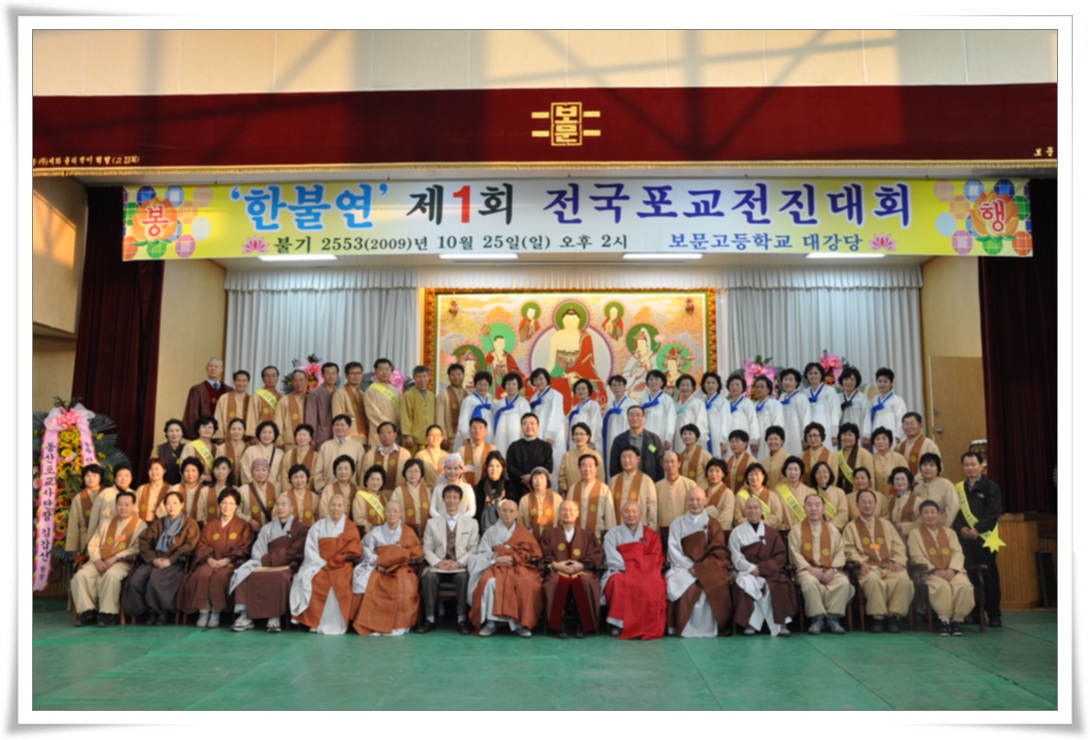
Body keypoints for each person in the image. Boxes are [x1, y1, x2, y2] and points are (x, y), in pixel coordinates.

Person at [229, 493, 307, 633]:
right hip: (265, 564)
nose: (280, 507)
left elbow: (294, 552)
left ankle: (274, 617)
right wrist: (264, 561)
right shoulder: (268, 528)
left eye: (284, 504)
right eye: (277, 504)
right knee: (246, 574)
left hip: (286, 566)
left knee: (279, 577)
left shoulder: (300, 529)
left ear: (291, 508)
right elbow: (258, 549)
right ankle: (245, 616)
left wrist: (269, 560)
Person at [177, 489, 254, 628]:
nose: (227, 506)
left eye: (231, 503)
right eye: (224, 503)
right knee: (202, 574)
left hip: (231, 564)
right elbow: (202, 545)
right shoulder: (210, 525)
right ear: (219, 504)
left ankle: (215, 612)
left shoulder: (243, 526)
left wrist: (227, 560)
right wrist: (209, 559)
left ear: (237, 506)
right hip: (210, 562)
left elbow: (244, 547)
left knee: (220, 577)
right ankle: (203, 611)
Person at [468, 499, 544, 638]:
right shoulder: (490, 531)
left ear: (517, 514)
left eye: (511, 511)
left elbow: (535, 552)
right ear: (499, 512)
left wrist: (514, 558)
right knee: (489, 582)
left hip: (518, 565)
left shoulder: (524, 532)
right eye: (505, 511)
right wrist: (496, 558)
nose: (508, 514)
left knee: (526, 583)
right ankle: (490, 623)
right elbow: (483, 551)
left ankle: (521, 624)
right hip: (495, 565)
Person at [123, 489, 201, 625]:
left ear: (182, 504)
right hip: (155, 559)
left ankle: (160, 612)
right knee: (136, 579)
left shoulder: (190, 523)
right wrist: (153, 559)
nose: (171, 506)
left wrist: (171, 560)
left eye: (175, 503)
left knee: (156, 579)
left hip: (176, 561)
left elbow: (190, 545)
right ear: (164, 506)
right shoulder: (158, 523)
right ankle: (145, 611)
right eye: (168, 503)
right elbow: (144, 542)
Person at [71, 490, 147, 627]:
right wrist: (97, 560)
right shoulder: (105, 522)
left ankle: (108, 614)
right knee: (80, 576)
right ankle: (88, 612)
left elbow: (137, 548)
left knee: (111, 576)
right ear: (115, 505)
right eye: (120, 504)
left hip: (122, 562)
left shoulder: (141, 525)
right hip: (99, 560)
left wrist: (116, 558)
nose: (123, 508)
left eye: (127, 505)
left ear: (134, 506)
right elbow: (93, 544)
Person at [290, 493, 363, 634]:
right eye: (333, 505)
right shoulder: (319, 525)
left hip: (341, 565)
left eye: (339, 505)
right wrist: (322, 563)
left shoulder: (350, 527)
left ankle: (336, 622)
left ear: (344, 508)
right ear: (328, 507)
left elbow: (353, 549)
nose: (336, 508)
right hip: (320, 564)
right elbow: (310, 548)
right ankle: (315, 622)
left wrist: (335, 563)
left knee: (340, 582)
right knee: (314, 580)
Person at [664, 488, 732, 637]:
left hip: (708, 567)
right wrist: (691, 567)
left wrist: (702, 568)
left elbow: (719, 552)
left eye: (698, 499)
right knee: (677, 583)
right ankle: (683, 627)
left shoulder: (713, 524)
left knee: (717, 583)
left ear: (705, 501)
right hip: (683, 567)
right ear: (686, 501)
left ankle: (712, 627)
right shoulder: (677, 523)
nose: (695, 503)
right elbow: (673, 551)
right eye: (691, 499)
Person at [843, 489, 912, 632]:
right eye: (864, 502)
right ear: (857, 505)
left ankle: (893, 617)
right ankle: (878, 618)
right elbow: (848, 548)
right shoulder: (851, 527)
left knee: (903, 579)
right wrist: (861, 562)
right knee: (873, 581)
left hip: (889, 565)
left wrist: (898, 560)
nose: (867, 505)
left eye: (870, 502)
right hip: (868, 566)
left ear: (875, 505)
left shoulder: (887, 525)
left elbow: (898, 546)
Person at [350, 500, 423, 636]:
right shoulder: (376, 532)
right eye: (389, 511)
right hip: (377, 566)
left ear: (400, 514)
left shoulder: (408, 532)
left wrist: (393, 563)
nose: (392, 514)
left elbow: (414, 553)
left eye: (395, 511)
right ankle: (373, 625)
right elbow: (365, 548)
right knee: (366, 582)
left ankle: (398, 625)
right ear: (385, 513)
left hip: (400, 567)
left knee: (404, 584)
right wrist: (377, 561)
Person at [729, 496, 797, 636]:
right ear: (744, 511)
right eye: (749, 508)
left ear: (761, 511)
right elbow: (735, 556)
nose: (752, 511)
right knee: (742, 585)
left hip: (769, 571)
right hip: (746, 571)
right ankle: (750, 623)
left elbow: (780, 555)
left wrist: (763, 568)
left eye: (756, 508)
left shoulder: (772, 533)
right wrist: (751, 568)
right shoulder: (736, 532)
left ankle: (781, 623)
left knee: (782, 584)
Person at [419, 484, 481, 634]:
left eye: (455, 497)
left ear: (460, 500)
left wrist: (459, 563)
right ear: (443, 500)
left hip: (460, 567)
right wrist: (438, 563)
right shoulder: (432, 523)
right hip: (438, 566)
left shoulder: (472, 523)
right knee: (428, 578)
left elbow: (474, 548)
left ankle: (461, 619)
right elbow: (426, 548)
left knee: (463, 578)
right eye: (448, 497)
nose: (451, 501)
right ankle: (430, 619)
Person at [788, 493, 853, 635]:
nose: (813, 508)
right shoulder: (796, 530)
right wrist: (810, 569)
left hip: (830, 570)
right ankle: (817, 619)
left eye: (817, 505)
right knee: (810, 583)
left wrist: (832, 570)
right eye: (809, 505)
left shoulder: (833, 530)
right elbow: (794, 553)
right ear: (804, 508)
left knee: (843, 583)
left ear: (823, 509)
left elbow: (840, 552)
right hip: (806, 571)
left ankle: (833, 618)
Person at [601, 500, 667, 639]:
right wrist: (631, 568)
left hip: (646, 572)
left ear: (641, 514)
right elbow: (611, 557)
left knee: (656, 583)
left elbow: (655, 558)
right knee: (617, 580)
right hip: (621, 570)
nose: (631, 514)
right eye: (627, 511)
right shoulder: (612, 534)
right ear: (621, 514)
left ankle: (647, 624)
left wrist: (637, 568)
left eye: (634, 511)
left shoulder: (652, 535)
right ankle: (618, 624)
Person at [909, 499, 975, 636]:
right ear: (921, 516)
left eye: (933, 512)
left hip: (953, 572)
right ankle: (945, 621)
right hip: (929, 573)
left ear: (939, 515)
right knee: (942, 587)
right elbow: (916, 555)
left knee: (963, 585)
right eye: (926, 512)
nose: (930, 515)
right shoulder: (914, 534)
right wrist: (935, 571)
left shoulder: (950, 533)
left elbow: (957, 553)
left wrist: (952, 570)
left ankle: (956, 621)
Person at [954, 451, 1004, 628]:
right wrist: (961, 528)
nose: (970, 468)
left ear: (981, 466)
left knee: (989, 578)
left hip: (985, 540)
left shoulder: (991, 487)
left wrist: (977, 529)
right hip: (965, 541)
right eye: (966, 465)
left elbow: (993, 513)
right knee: (969, 576)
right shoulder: (959, 489)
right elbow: (955, 513)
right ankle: (974, 613)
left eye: (973, 464)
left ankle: (994, 614)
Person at [540, 500, 604, 638]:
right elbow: (543, 555)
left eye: (571, 510)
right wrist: (556, 565)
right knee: (554, 581)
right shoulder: (549, 534)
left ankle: (582, 624)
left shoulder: (587, 535)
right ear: (559, 513)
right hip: (557, 571)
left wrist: (582, 565)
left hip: (582, 571)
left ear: (577, 513)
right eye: (564, 509)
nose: (567, 513)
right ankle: (559, 625)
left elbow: (596, 555)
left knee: (586, 581)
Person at [528, 367, 567, 485]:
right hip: (539, 435)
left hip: (552, 436)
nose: (538, 382)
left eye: (541, 379)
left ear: (547, 379)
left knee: (554, 463)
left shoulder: (555, 395)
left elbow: (556, 415)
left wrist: (551, 435)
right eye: (535, 380)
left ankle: (555, 491)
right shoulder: (534, 397)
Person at [564, 454, 616, 541]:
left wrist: (610, 539)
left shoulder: (604, 489)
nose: (587, 469)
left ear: (596, 468)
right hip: (576, 539)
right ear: (579, 468)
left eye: (590, 466)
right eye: (584, 466)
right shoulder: (573, 489)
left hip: (597, 539)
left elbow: (609, 518)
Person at [608, 405, 665, 481]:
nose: (634, 418)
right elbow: (614, 465)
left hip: (649, 481)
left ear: (643, 418)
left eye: (638, 415)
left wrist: (658, 482)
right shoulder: (619, 440)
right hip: (625, 482)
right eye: (631, 415)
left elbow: (660, 461)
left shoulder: (652, 440)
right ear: (628, 418)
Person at [505, 413, 554, 501]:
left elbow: (548, 468)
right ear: (521, 427)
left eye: (532, 423)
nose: (529, 426)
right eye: (525, 423)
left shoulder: (545, 447)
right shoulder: (514, 446)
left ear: (538, 427)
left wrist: (532, 476)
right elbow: (510, 467)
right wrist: (522, 477)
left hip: (539, 489)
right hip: (517, 489)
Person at [182, 357, 231, 444]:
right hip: (203, 437)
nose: (213, 369)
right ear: (206, 368)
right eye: (210, 366)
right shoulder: (197, 390)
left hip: (223, 438)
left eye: (216, 366)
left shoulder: (228, 390)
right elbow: (192, 415)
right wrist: (196, 435)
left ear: (221, 369)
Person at [312, 415, 366, 492]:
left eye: (342, 425)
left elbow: (361, 471)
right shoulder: (325, 446)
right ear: (333, 427)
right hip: (329, 489)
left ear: (349, 428)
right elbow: (319, 470)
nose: (339, 428)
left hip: (352, 490)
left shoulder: (358, 447)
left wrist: (360, 490)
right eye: (336, 425)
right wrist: (320, 489)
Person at [655, 451, 696, 543]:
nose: (669, 465)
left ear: (679, 464)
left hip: (684, 531)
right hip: (663, 532)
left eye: (672, 461)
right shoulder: (657, 486)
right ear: (663, 465)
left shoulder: (690, 485)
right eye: (666, 462)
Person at [733, 463, 786, 531]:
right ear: (747, 478)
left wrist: (761, 524)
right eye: (751, 475)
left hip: (768, 531)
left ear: (763, 476)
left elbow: (778, 516)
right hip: (747, 531)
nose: (754, 477)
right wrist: (753, 524)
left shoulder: (773, 495)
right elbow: (737, 518)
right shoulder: (740, 496)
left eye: (757, 474)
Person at [65, 464, 104, 557]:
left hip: (105, 542)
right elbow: (73, 525)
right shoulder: (78, 499)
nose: (91, 479)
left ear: (100, 477)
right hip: (86, 542)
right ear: (83, 478)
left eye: (94, 475)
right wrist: (73, 549)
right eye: (87, 476)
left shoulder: (108, 494)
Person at [361, 421, 411, 492]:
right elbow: (363, 478)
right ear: (379, 436)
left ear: (395, 434)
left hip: (398, 495)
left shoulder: (405, 454)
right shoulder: (370, 455)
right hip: (375, 496)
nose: (386, 435)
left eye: (389, 432)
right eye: (383, 433)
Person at [87, 464, 134, 538]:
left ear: (131, 478)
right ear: (115, 478)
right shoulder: (104, 494)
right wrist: (90, 539)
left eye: (127, 475)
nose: (123, 478)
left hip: (126, 537)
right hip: (104, 536)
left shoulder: (135, 495)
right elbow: (94, 519)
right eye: (120, 475)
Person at [913, 453, 960, 528]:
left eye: (932, 465)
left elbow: (953, 507)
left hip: (941, 528)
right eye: (924, 465)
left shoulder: (946, 484)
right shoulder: (917, 488)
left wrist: (940, 525)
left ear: (938, 468)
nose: (927, 468)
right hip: (920, 528)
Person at [364, 358, 402, 449]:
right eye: (381, 369)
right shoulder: (371, 390)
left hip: (394, 434)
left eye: (387, 369)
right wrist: (389, 427)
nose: (384, 372)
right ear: (375, 372)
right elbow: (373, 413)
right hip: (379, 432)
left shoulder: (395, 390)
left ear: (391, 371)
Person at [557, 422, 605, 495]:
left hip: (592, 495)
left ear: (588, 436)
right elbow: (562, 478)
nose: (578, 437)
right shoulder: (567, 456)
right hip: (572, 495)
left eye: (582, 434)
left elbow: (600, 477)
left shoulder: (595, 455)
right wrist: (564, 493)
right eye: (576, 434)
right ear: (573, 437)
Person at [492, 372, 532, 458]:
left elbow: (527, 422)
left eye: (514, 384)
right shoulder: (499, 404)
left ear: (518, 386)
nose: (511, 387)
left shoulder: (523, 403)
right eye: (508, 384)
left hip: (516, 435)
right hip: (501, 436)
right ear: (504, 386)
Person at [865, 367, 908, 447]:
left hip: (891, 434)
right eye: (880, 381)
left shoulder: (897, 400)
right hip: (876, 434)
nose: (882, 384)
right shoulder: (874, 400)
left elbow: (901, 420)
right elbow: (868, 419)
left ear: (891, 383)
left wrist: (898, 436)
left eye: (885, 381)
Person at [388, 458, 431, 536]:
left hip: (424, 528)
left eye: (416, 471)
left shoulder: (427, 491)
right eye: (409, 471)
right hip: (403, 529)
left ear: (421, 473)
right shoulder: (398, 491)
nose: (413, 474)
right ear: (404, 473)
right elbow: (392, 511)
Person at [601, 374, 636, 469]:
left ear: (624, 386)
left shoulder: (631, 403)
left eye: (620, 385)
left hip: (627, 438)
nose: (617, 388)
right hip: (611, 439)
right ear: (610, 388)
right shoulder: (609, 407)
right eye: (614, 385)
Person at [518, 467, 563, 539]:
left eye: (542, 478)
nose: (538, 481)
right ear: (531, 481)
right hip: (530, 540)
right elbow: (520, 523)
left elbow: (561, 522)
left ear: (547, 480)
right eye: (535, 478)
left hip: (553, 539)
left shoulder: (557, 499)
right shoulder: (524, 500)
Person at [804, 362, 839, 452]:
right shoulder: (805, 393)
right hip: (810, 432)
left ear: (821, 374)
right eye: (810, 373)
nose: (813, 376)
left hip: (826, 430)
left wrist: (834, 434)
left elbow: (835, 412)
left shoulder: (829, 391)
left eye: (816, 373)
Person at [455, 371, 494, 450]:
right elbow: (463, 421)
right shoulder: (468, 400)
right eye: (479, 384)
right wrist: (466, 437)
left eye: (485, 384)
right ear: (475, 385)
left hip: (488, 437)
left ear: (489, 386)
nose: (482, 387)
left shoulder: (490, 401)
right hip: (471, 438)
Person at [429, 453, 476, 519]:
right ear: (445, 470)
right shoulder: (438, 489)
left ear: (461, 471)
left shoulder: (467, 488)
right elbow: (432, 510)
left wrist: (456, 520)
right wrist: (444, 520)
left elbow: (472, 510)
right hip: (441, 523)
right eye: (449, 468)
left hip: (462, 523)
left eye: (456, 469)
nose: (452, 472)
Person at [401, 365, 435, 454]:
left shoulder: (432, 396)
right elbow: (405, 415)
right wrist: (407, 435)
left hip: (429, 438)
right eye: (419, 377)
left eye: (424, 376)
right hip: (413, 438)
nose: (422, 379)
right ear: (414, 378)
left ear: (429, 377)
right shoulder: (408, 395)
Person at [305, 362, 340, 448]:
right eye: (328, 373)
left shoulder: (340, 393)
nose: (331, 376)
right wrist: (311, 436)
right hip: (321, 436)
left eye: (333, 373)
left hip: (338, 435)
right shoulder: (315, 393)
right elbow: (311, 417)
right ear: (322, 375)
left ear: (337, 375)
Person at [238, 457, 279, 531]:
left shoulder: (275, 489)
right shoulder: (243, 490)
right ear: (252, 473)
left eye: (264, 470)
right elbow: (236, 511)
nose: (261, 473)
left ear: (268, 473)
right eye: (257, 470)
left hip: (270, 531)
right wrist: (249, 520)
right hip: (249, 531)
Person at [332, 361, 370, 441]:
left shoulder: (363, 394)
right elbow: (337, 420)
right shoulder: (340, 394)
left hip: (364, 438)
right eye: (352, 373)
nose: (356, 376)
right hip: (348, 439)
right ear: (346, 375)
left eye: (359, 373)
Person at [671, 374, 708, 454]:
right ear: (678, 388)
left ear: (693, 387)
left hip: (693, 441)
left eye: (688, 385)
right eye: (682, 385)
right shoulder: (676, 406)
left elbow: (701, 424)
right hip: (678, 440)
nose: (685, 388)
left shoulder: (698, 403)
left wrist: (698, 441)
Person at [640, 370, 676, 451]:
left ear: (662, 383)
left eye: (656, 379)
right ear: (647, 383)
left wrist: (668, 438)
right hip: (646, 437)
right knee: (649, 454)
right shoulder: (643, 400)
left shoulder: (667, 399)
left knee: (660, 456)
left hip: (662, 437)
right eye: (651, 379)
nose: (653, 382)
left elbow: (671, 419)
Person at [474, 451, 511, 532]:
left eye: (498, 466)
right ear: (486, 468)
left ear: (502, 468)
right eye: (491, 466)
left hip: (504, 532)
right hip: (483, 532)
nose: (494, 469)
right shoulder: (479, 488)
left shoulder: (509, 487)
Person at [239, 421, 284, 486]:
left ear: (275, 435)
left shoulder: (280, 453)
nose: (267, 435)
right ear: (259, 434)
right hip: (253, 489)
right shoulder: (250, 450)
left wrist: (274, 488)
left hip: (273, 489)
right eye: (264, 432)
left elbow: (281, 475)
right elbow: (244, 470)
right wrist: (256, 486)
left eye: (270, 432)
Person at [898, 412, 943, 478]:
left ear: (920, 426)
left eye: (913, 424)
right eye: (906, 424)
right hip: (903, 482)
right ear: (902, 427)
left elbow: (939, 467)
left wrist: (918, 480)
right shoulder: (899, 447)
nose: (909, 427)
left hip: (925, 482)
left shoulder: (929, 445)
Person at [274, 370, 310, 451]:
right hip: (289, 445)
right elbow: (278, 422)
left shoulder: (310, 400)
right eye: (296, 380)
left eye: (301, 380)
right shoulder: (284, 401)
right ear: (292, 382)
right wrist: (279, 441)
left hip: (307, 445)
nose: (299, 383)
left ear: (306, 381)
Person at [455, 417, 496, 487]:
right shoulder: (461, 450)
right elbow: (458, 471)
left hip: (488, 488)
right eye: (474, 428)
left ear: (485, 431)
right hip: (467, 487)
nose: (477, 430)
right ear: (470, 431)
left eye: (480, 428)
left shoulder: (493, 449)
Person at [774, 456, 813, 530]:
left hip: (805, 530)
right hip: (784, 531)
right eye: (789, 469)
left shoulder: (809, 492)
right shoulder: (777, 490)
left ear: (801, 471)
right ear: (785, 471)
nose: (792, 472)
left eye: (796, 469)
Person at [214, 370, 254, 441]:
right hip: (226, 439)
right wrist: (218, 436)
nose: (241, 383)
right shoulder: (224, 398)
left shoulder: (251, 400)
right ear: (234, 382)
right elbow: (218, 417)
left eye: (244, 381)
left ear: (248, 383)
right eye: (238, 380)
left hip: (245, 440)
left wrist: (252, 436)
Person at [777, 368, 809, 456]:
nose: (787, 382)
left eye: (791, 380)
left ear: (796, 382)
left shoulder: (801, 397)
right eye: (785, 379)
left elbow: (806, 418)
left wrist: (805, 437)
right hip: (782, 435)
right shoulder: (782, 397)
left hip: (796, 435)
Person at [435, 363, 466, 453]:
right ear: (449, 377)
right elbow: (439, 417)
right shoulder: (443, 394)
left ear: (463, 376)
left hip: (466, 439)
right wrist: (443, 437)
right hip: (450, 439)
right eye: (453, 375)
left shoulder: (468, 394)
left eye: (458, 374)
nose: (456, 377)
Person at [751, 376, 784, 460]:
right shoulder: (753, 406)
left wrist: (775, 440)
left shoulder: (775, 404)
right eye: (757, 387)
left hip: (769, 440)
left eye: (762, 387)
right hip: (755, 442)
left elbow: (778, 424)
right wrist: (753, 441)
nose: (759, 389)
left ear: (769, 389)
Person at [567, 378, 603, 454]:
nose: (581, 391)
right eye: (578, 389)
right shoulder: (575, 408)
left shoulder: (593, 405)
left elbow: (596, 423)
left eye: (583, 389)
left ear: (588, 391)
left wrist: (593, 441)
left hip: (588, 442)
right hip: (575, 441)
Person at [835, 423, 874, 494]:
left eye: (850, 435)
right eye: (844, 435)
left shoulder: (865, 454)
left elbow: (871, 479)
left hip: (861, 494)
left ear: (856, 437)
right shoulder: (838, 455)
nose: (847, 438)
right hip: (842, 494)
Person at [316, 454, 359, 520]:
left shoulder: (357, 490)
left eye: (346, 469)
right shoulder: (328, 489)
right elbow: (323, 511)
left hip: (352, 525)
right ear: (335, 472)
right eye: (340, 469)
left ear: (352, 471)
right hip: (332, 523)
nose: (343, 472)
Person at [870, 427, 909, 496]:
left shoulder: (899, 458)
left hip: (896, 496)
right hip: (876, 498)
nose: (880, 442)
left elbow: (907, 478)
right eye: (877, 439)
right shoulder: (870, 459)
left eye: (884, 439)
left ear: (890, 442)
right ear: (874, 442)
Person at [811, 461, 850, 531]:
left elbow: (843, 513)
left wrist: (829, 527)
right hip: (815, 530)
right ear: (814, 475)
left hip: (835, 530)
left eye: (825, 472)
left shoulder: (839, 492)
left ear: (830, 474)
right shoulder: (810, 492)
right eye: (818, 472)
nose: (822, 475)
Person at [195, 457, 235, 526]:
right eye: (217, 468)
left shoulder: (234, 490)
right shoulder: (205, 490)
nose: (220, 471)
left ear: (229, 471)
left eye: (224, 468)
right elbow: (200, 514)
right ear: (213, 471)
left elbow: (237, 513)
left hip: (230, 528)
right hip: (208, 528)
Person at [179, 414, 218, 484]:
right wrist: (204, 477)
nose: (207, 430)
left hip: (213, 484)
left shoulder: (217, 448)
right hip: (194, 484)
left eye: (210, 427)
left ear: (214, 430)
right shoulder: (190, 446)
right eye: (203, 427)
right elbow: (183, 467)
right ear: (198, 430)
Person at [484, 330, 523, 398]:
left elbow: (516, 371)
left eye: (503, 343)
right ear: (494, 343)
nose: (501, 345)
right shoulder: (490, 356)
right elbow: (485, 373)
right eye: (499, 342)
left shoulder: (508, 356)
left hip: (507, 386)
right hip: (494, 387)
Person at [352, 465, 389, 535]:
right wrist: (374, 530)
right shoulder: (360, 497)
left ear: (382, 482)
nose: (375, 482)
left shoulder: (384, 499)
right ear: (367, 481)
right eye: (372, 479)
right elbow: (358, 519)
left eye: (378, 480)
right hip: (367, 533)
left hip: (383, 534)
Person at [279, 424, 318, 492]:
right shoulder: (288, 455)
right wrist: (289, 492)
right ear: (295, 438)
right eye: (299, 435)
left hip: (309, 493)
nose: (302, 437)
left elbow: (315, 476)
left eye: (305, 435)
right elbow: (284, 476)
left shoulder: (316, 456)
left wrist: (302, 491)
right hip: (289, 493)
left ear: (310, 438)